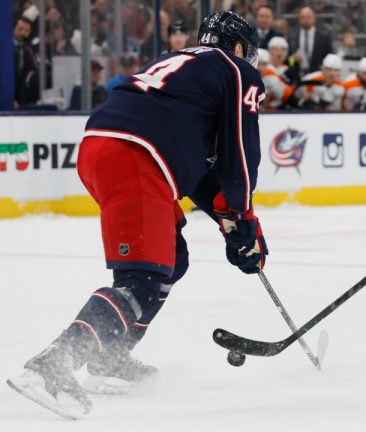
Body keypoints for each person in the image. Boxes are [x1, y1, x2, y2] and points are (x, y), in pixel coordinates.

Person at [7, 11, 267, 419]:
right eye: (249, 55)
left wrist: (229, 220)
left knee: (170, 261)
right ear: (237, 48)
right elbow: (241, 154)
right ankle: (53, 365)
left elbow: (198, 168)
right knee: (141, 280)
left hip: (106, 148)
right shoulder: (234, 70)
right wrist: (243, 218)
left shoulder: (183, 65)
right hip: (138, 157)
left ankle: (109, 359)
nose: (251, 65)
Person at [288, 6, 333, 75]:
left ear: (314, 19)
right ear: (299, 19)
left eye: (308, 17)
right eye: (303, 17)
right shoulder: (292, 37)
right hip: (297, 77)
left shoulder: (324, 38)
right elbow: (289, 60)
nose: (305, 20)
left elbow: (330, 58)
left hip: (318, 78)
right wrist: (293, 60)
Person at [13, 16, 40, 108]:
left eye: (26, 30)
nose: (23, 33)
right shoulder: (5, 49)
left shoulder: (28, 50)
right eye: (20, 29)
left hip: (23, 99)